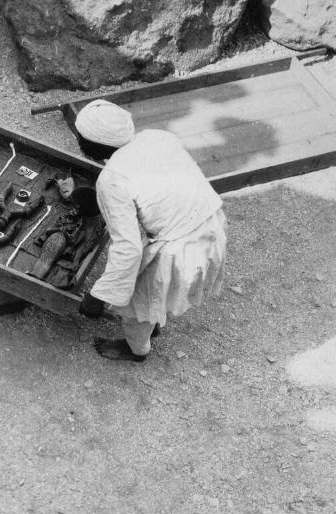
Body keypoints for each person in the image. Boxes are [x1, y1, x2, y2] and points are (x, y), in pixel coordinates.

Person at [75, 100, 227, 362]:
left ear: (91, 146)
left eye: (80, 139)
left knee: (134, 307)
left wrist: (98, 295)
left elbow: (128, 249)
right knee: (155, 293)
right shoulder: (157, 137)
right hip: (212, 223)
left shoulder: (111, 180)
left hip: (181, 248)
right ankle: (154, 318)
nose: (78, 142)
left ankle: (136, 350)